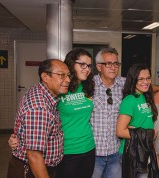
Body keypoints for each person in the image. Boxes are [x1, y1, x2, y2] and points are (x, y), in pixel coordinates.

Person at [7, 59, 71, 178]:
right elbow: (34, 156)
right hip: (32, 170)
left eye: (68, 75)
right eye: (61, 75)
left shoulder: (39, 91)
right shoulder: (39, 108)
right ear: (45, 76)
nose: (67, 80)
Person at [55, 48, 95, 178]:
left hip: (89, 147)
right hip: (67, 150)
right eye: (82, 64)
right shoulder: (60, 87)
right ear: (71, 64)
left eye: (89, 65)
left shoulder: (87, 86)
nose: (87, 69)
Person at [116, 63, 159, 178]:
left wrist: (154, 153)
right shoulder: (129, 100)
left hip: (145, 150)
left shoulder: (146, 97)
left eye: (148, 78)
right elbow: (120, 131)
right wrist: (150, 134)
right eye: (141, 79)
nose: (146, 82)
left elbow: (148, 126)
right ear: (133, 80)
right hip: (132, 153)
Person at [91, 47, 125, 178]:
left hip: (115, 152)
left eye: (116, 63)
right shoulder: (89, 85)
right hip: (94, 153)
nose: (113, 67)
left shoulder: (124, 83)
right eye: (108, 64)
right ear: (99, 67)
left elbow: (145, 84)